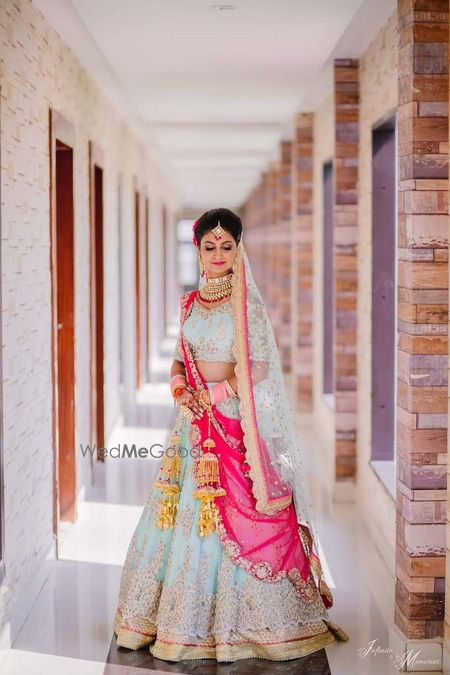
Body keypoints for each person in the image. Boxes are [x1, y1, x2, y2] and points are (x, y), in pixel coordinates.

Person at [113, 208, 349, 661]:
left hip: (232, 422)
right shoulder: (188, 305)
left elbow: (258, 366)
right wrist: (180, 388)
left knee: (241, 506)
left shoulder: (247, 306)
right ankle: (181, 621)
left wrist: (218, 392)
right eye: (209, 246)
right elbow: (181, 359)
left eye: (227, 246)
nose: (218, 254)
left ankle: (249, 624)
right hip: (192, 425)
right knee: (182, 513)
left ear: (238, 250)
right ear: (198, 249)